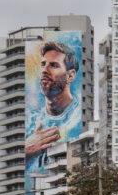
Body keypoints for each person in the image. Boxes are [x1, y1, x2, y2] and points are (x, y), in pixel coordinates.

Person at [25, 40, 81, 172]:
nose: (44, 70)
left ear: (70, 75)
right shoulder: (30, 120)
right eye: (43, 64)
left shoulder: (78, 119)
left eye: (54, 65)